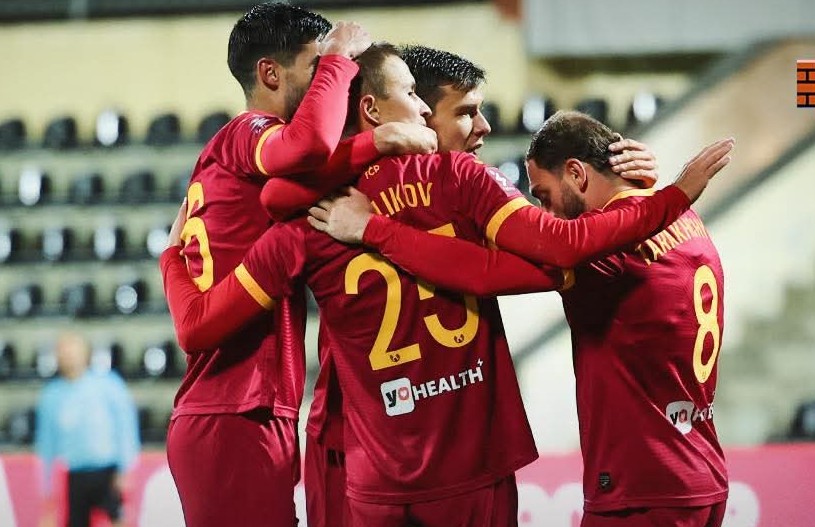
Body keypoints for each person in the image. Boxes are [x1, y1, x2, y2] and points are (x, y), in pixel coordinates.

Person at [160, 36, 731, 524]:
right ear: (408, 115)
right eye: (463, 111)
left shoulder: (315, 208)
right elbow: (558, 251)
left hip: (365, 458)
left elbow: (268, 207)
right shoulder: (466, 185)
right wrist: (651, 198)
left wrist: (172, 259)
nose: (482, 126)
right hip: (459, 463)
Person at [312, 111, 731, 527]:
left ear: (577, 174)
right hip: (703, 470)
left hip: (643, 487)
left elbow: (481, 270)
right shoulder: (683, 218)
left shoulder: (602, 252)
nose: (545, 213)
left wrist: (373, 229)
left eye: (544, 196)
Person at [166, 4, 376, 526]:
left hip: (246, 408)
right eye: (316, 66)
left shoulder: (230, 164)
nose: (330, 79)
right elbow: (309, 144)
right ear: (270, 73)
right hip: (233, 409)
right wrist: (340, 59)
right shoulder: (247, 132)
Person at [35, 332, 140, 527]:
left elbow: (125, 426)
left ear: (85, 353)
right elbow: (46, 443)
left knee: (118, 520)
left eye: (73, 351)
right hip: (75, 474)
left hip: (108, 471)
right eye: (64, 352)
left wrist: (126, 468)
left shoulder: (108, 384)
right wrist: (47, 488)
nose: (69, 356)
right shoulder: (52, 395)